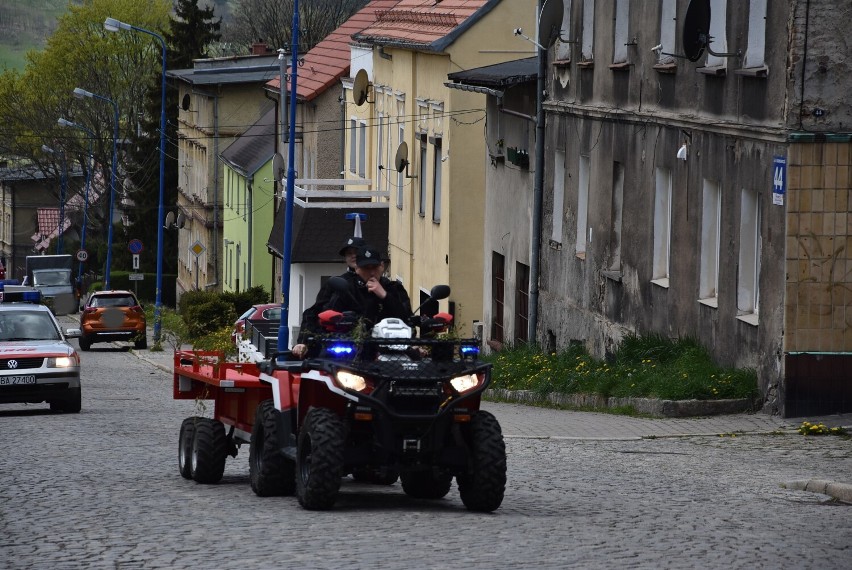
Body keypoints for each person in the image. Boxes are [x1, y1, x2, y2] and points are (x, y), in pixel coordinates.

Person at [291, 244, 412, 358]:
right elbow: (316, 315)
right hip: (352, 351)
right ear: (357, 268)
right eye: (366, 268)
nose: (371, 273)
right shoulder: (345, 288)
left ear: (381, 266)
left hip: (392, 350)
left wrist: (384, 296)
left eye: (374, 267)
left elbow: (407, 318)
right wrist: (303, 342)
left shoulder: (394, 288)